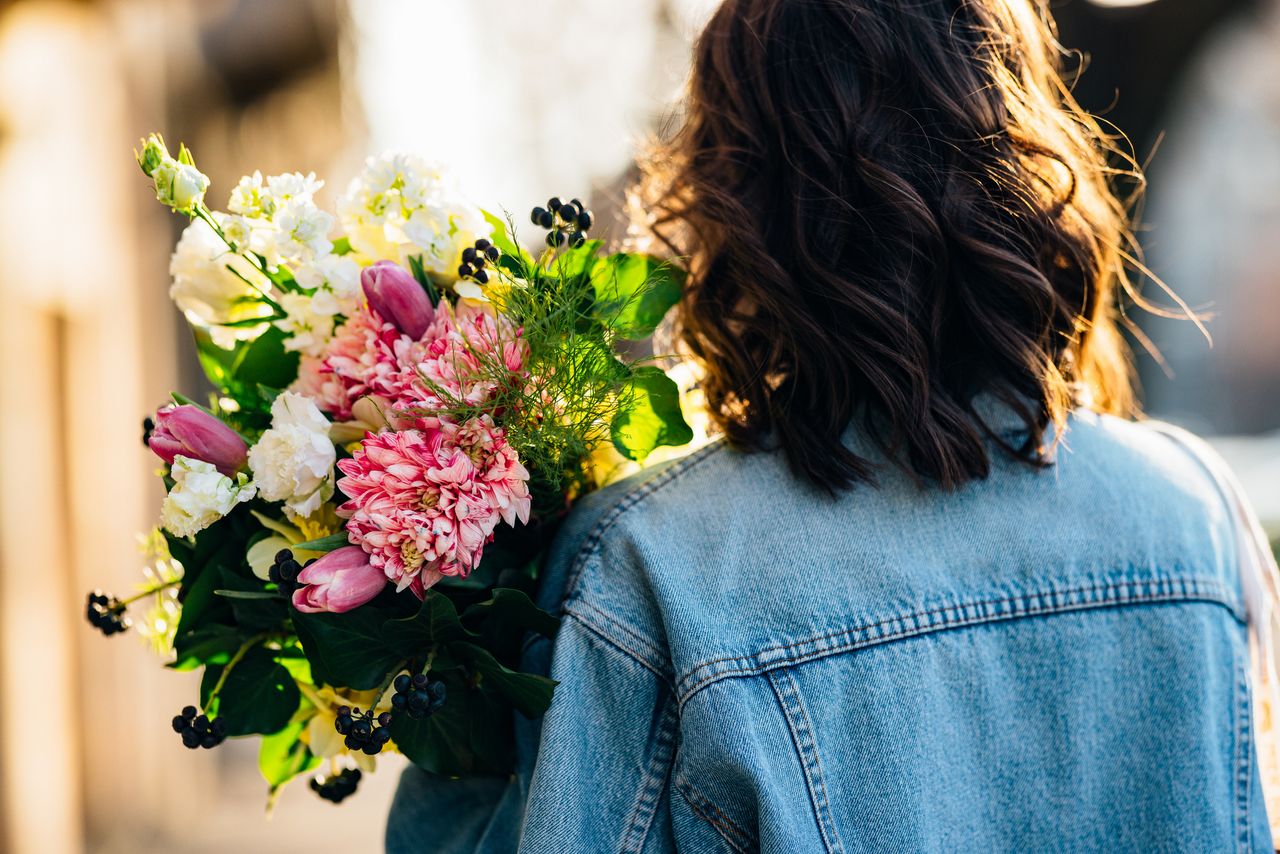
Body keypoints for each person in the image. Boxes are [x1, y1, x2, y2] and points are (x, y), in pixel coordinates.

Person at [387, 0, 1276, 850]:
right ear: (1021, 152)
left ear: (734, 199)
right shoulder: (1197, 516)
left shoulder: (650, 569)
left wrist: (461, 643)